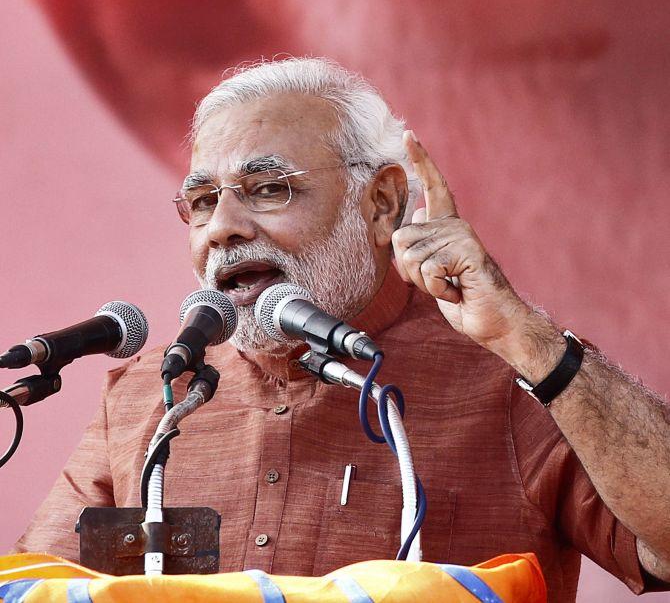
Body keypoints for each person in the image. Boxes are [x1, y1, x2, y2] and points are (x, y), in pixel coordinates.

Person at [13, 58, 670, 602]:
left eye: (268, 188)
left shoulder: (507, 377)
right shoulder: (149, 396)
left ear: (382, 202)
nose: (222, 227)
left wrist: (528, 338)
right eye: (204, 201)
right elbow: (40, 587)